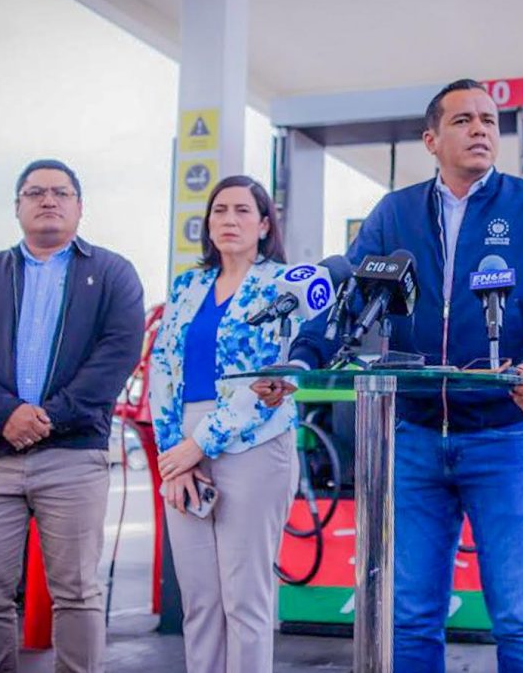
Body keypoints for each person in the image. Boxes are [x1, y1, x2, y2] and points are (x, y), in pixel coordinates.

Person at [260, 79, 523, 672]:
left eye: (489, 120)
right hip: (413, 440)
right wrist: (301, 362)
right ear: (431, 139)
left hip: (503, 439)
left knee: (519, 618)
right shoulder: (395, 214)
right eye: (464, 120)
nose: (481, 129)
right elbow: (349, 300)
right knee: (412, 616)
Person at [0, 159, 145, 672]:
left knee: (76, 591)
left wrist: (47, 418)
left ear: (80, 206)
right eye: (35, 192)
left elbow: (118, 353)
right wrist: (5, 414)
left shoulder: (112, 273)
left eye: (60, 192)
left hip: (72, 456)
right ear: (17, 207)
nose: (48, 200)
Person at [149, 175, 300, 673]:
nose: (229, 220)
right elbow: (161, 368)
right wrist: (174, 455)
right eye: (219, 210)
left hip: (253, 442)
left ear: (264, 224)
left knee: (245, 600)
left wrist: (199, 444)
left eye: (242, 210)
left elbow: (270, 377)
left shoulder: (283, 285)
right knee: (200, 602)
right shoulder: (187, 286)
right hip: (182, 445)